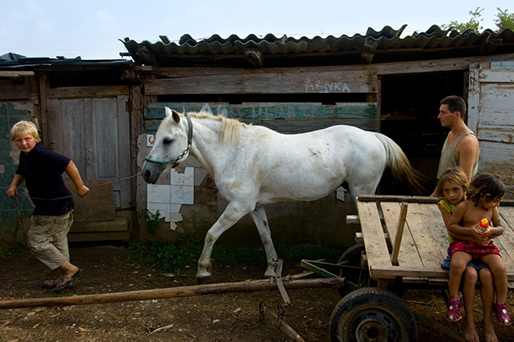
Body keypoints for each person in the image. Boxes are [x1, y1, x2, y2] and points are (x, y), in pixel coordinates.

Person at [6, 121, 90, 291]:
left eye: (27, 139)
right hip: (56, 206)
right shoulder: (26, 154)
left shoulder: (41, 153)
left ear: (35, 138)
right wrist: (13, 185)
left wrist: (80, 186)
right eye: (18, 140)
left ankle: (69, 270)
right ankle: (66, 277)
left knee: (36, 241)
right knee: (58, 241)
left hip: (55, 207)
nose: (23, 143)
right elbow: (22, 170)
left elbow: (68, 163)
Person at [436, 167, 497, 342]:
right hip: (460, 248)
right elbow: (453, 232)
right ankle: (469, 322)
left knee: (486, 275)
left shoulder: (478, 202)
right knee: (470, 275)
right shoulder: (445, 205)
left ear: (465, 188)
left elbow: (494, 223)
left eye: (455, 189)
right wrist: (473, 232)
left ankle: (488, 322)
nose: (451, 195)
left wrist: (488, 232)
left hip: (481, 249)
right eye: (447, 190)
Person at [447, 173, 511, 330]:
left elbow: (500, 227)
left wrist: (492, 230)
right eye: (494, 200)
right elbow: (452, 227)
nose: (497, 204)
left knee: (500, 268)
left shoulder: (492, 209)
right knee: (457, 265)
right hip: (465, 244)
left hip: (484, 246)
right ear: (482, 196)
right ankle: (454, 300)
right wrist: (469, 231)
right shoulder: (464, 207)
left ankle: (501, 304)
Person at [431, 95, 479, 196]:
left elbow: (465, 181)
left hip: (454, 200)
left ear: (457, 115)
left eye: (443, 113)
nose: (439, 116)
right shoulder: (450, 134)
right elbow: (443, 174)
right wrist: (434, 196)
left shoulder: (467, 142)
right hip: (444, 196)